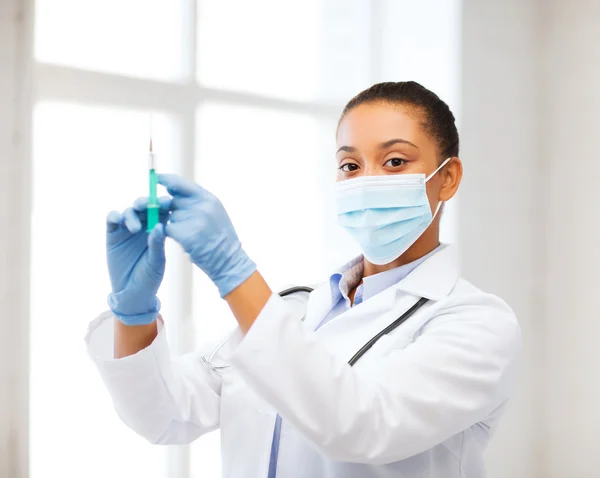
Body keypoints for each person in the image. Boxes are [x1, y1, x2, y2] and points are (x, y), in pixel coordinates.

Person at [86, 81, 521, 478]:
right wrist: (133, 312)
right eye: (350, 165)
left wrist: (233, 270)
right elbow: (164, 413)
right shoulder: (294, 310)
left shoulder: (476, 325)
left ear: (447, 178)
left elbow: (363, 425)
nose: (366, 180)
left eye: (394, 161)